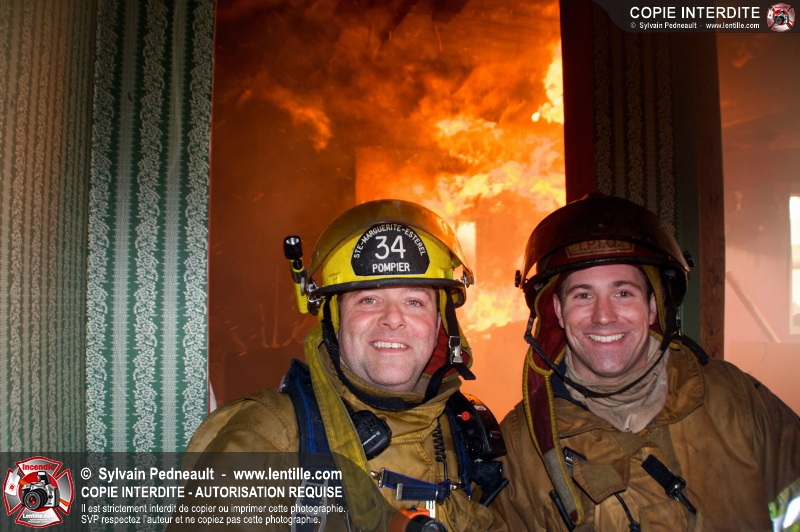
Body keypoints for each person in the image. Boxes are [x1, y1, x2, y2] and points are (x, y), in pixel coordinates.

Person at [183, 199, 507, 531]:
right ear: (334, 321)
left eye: (414, 301)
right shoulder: (267, 440)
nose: (393, 319)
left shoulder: (469, 438)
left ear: (440, 324)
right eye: (368, 299)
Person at [491, 193, 800, 531]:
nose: (604, 316)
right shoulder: (520, 446)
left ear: (653, 307)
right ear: (558, 312)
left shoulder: (735, 398)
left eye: (623, 293)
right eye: (583, 295)